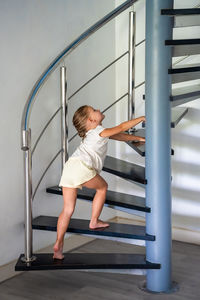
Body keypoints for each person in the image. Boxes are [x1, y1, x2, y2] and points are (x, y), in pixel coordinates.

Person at [53, 105, 145, 259]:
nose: (98, 109)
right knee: (102, 188)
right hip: (82, 167)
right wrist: (141, 118)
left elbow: (119, 135)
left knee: (68, 209)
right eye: (95, 110)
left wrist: (137, 138)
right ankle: (94, 221)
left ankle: (58, 244)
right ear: (91, 119)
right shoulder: (97, 131)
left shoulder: (95, 133)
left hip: (70, 167)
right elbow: (122, 127)